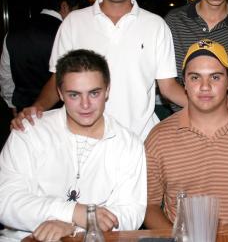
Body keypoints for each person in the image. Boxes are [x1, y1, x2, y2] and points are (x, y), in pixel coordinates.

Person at [10, 0, 186, 140]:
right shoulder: (73, 22)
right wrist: (36, 108)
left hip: (140, 140)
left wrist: (214, 108)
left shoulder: (156, 25)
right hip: (84, 140)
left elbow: (168, 87)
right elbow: (58, 78)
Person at [0, 49, 147, 241]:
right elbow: (6, 200)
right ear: (60, 93)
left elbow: (131, 213)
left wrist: (74, 227)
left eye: (94, 93)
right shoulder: (30, 131)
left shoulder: (129, 143)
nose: (85, 105)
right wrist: (74, 212)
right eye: (74, 95)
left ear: (108, 90)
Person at [144, 39, 228, 228]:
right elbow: (148, 206)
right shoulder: (159, 137)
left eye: (215, 77)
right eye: (195, 77)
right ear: (184, 82)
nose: (205, 86)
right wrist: (177, 239)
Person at [0, 0, 79, 115]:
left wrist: (11, 103)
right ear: (64, 6)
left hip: (24, 110)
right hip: (59, 110)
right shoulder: (67, 33)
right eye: (76, 10)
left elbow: (6, 76)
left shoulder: (13, 33)